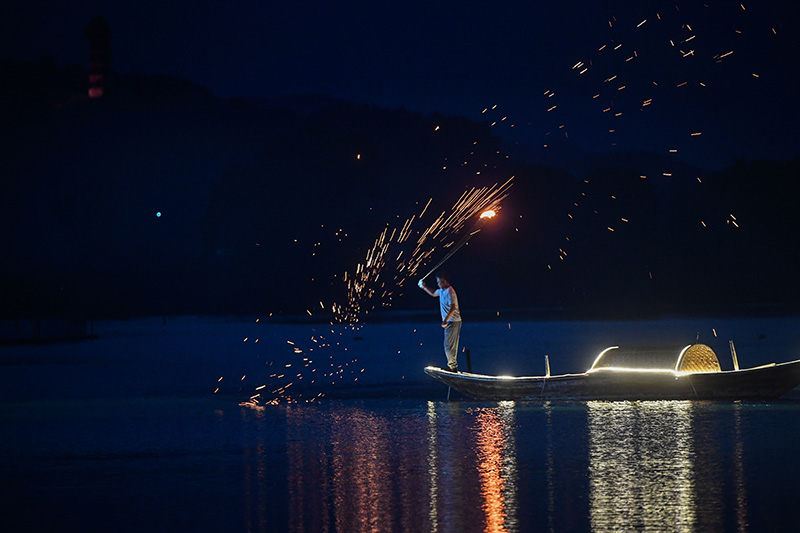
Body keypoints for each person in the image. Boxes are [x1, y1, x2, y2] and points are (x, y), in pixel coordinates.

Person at [418, 272, 462, 372]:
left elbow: (453, 308)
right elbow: (433, 293)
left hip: (453, 322)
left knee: (449, 345)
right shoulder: (442, 291)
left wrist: (445, 320)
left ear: (444, 281)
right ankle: (452, 366)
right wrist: (423, 287)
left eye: (439, 282)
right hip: (450, 322)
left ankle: (452, 367)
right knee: (448, 345)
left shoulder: (450, 292)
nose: (438, 284)